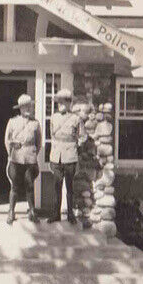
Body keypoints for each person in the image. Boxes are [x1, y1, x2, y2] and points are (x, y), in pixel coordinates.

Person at [47, 89, 86, 224]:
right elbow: (52, 135)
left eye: (63, 102)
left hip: (70, 156)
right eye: (58, 102)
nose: (60, 105)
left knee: (69, 187)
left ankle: (70, 215)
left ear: (69, 103)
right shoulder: (53, 117)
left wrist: (75, 147)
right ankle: (55, 214)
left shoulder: (76, 119)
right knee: (57, 186)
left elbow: (83, 137)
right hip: (56, 156)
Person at [4, 93, 41, 225]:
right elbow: (7, 141)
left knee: (30, 185)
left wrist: (32, 154)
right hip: (16, 158)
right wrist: (11, 154)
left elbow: (39, 143)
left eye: (29, 106)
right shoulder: (12, 122)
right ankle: (11, 212)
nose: (28, 109)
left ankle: (32, 212)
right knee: (14, 186)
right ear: (20, 108)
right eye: (25, 107)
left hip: (30, 159)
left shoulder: (35, 124)